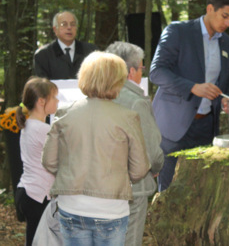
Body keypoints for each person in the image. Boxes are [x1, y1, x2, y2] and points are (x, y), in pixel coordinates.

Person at [42, 51, 150, 246]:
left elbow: (49, 161)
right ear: (117, 81)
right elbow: (140, 169)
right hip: (112, 208)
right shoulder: (127, 117)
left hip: (71, 205)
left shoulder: (65, 113)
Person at [150, 0, 229, 192]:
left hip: (207, 127)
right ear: (209, 9)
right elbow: (157, 72)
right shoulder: (178, 31)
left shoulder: (228, 43)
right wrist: (192, 88)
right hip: (173, 128)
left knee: (200, 190)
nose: (228, 23)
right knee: (169, 192)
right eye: (225, 16)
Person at [106, 41, 164, 246]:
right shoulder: (136, 102)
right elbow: (151, 150)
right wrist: (156, 167)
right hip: (133, 188)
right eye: (141, 68)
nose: (142, 73)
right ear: (131, 71)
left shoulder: (97, 96)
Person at [14, 77, 59, 246]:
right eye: (54, 97)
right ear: (41, 101)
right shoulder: (43, 129)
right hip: (37, 196)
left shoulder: (29, 125)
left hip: (28, 191)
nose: (57, 101)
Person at [34, 11, 97, 79]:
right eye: (64, 24)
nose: (69, 28)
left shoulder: (91, 51)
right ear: (55, 29)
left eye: (73, 24)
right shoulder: (43, 54)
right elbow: (41, 86)